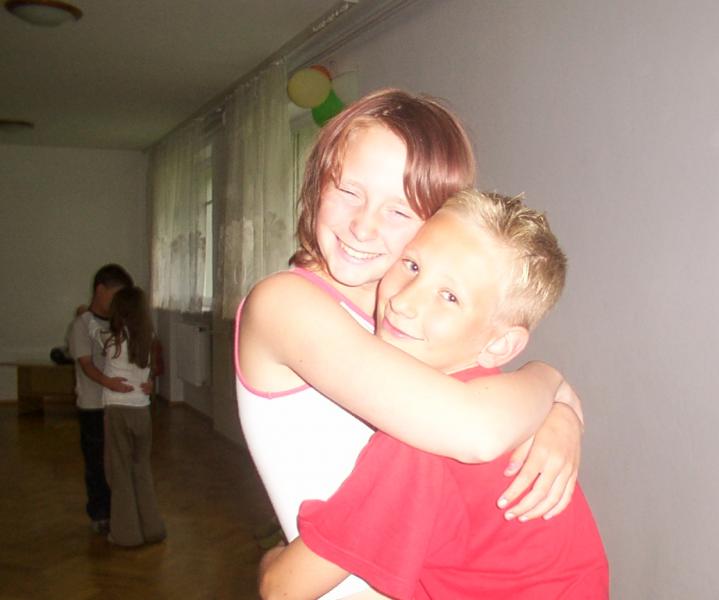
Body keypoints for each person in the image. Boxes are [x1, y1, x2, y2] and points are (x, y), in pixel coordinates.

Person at [237, 89, 584, 598]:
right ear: (317, 182)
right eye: (348, 190)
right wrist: (550, 382)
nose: (363, 226)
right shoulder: (285, 305)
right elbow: (476, 427)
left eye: (399, 211)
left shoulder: (403, 317)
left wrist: (561, 417)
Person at [91, 286, 166, 547]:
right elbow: (149, 372)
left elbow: (93, 331)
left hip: (118, 411)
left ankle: (126, 534)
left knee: (119, 472)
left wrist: (83, 314)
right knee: (141, 469)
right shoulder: (148, 337)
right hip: (142, 411)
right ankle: (152, 528)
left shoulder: (113, 339)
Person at [67, 263, 134, 534]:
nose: (118, 302)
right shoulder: (81, 325)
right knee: (96, 462)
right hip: (93, 406)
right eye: (115, 295)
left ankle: (120, 511)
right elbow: (86, 364)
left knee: (119, 461)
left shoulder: (121, 324)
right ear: (100, 289)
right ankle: (100, 513)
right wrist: (109, 383)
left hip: (120, 406)